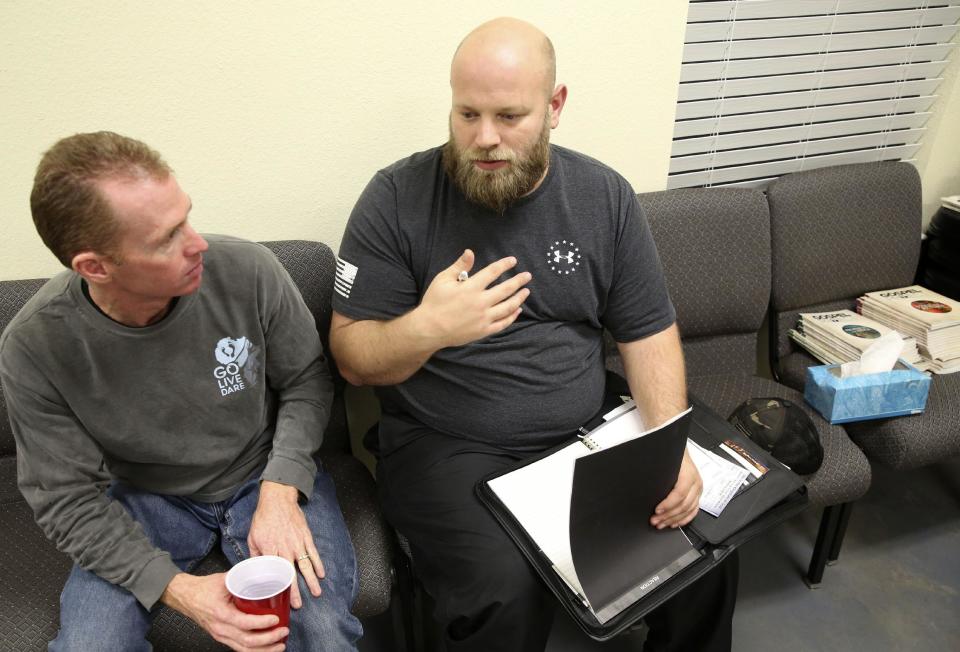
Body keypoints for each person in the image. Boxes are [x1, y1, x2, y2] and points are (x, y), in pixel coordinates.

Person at [330, 17, 738, 652]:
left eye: (508, 116)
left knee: (702, 537)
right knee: (503, 589)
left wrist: (666, 444)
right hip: (446, 441)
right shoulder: (395, 198)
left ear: (555, 107)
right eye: (466, 115)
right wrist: (429, 327)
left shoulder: (604, 197)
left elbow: (648, 332)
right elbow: (352, 357)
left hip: (586, 428)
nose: (484, 138)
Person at [0, 132, 363, 652]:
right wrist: (177, 589)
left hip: (262, 473)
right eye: (166, 238)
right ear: (94, 267)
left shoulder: (249, 270)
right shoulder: (36, 346)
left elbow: (306, 379)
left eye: (186, 217)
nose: (198, 244)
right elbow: (65, 499)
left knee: (323, 634)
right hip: (143, 496)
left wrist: (281, 490)